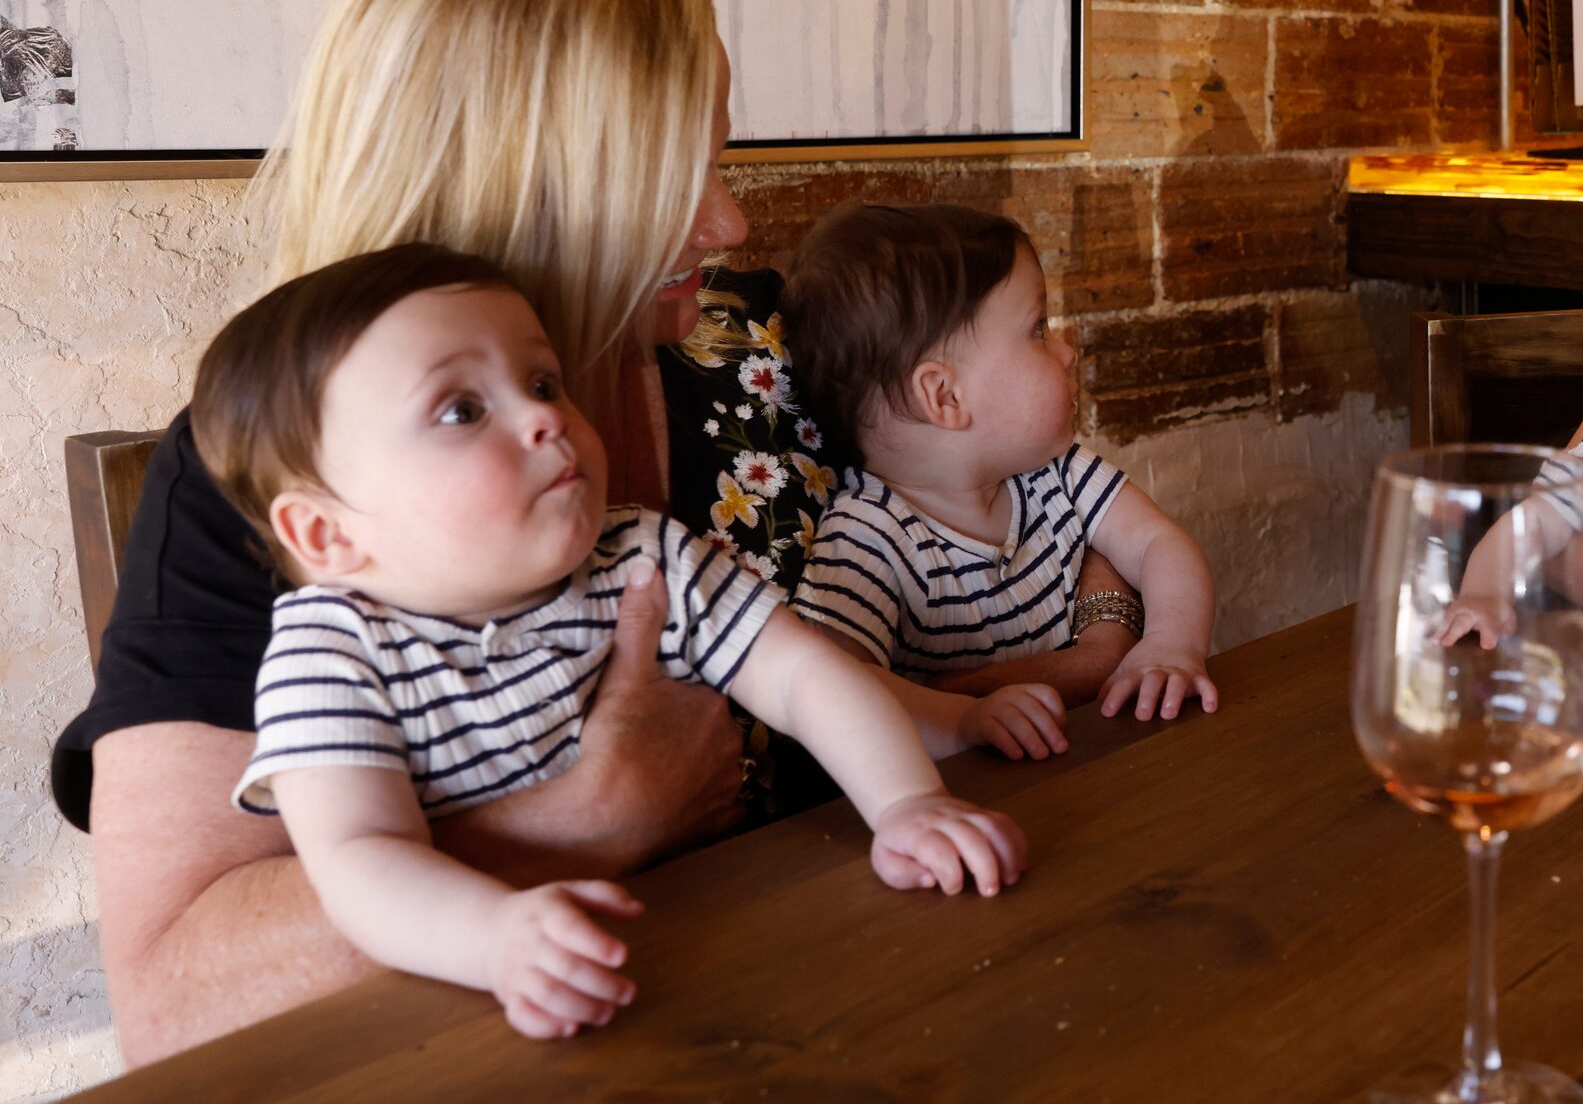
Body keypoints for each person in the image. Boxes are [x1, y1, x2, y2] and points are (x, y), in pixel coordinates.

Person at [50, 0, 1139, 1064]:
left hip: (874, 962)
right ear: (519, 186)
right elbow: (172, 993)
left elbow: (1046, 497)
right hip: (531, 1069)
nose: (731, 219)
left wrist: (1099, 638)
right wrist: (577, 826)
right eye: (680, 174)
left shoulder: (759, 350)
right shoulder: (268, 489)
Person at [192, 246, 1046, 1038]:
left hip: (703, 963)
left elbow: (804, 677)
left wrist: (905, 804)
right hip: (469, 1012)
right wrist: (493, 936)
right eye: (461, 409)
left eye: (544, 381)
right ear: (325, 533)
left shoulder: (638, 553)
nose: (542, 418)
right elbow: (357, 859)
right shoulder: (330, 653)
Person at [785, 204, 1219, 724]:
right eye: (1038, 329)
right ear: (945, 396)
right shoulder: (869, 536)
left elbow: (1162, 544)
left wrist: (1172, 643)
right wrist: (960, 720)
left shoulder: (1055, 474)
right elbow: (835, 686)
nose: (1065, 352)